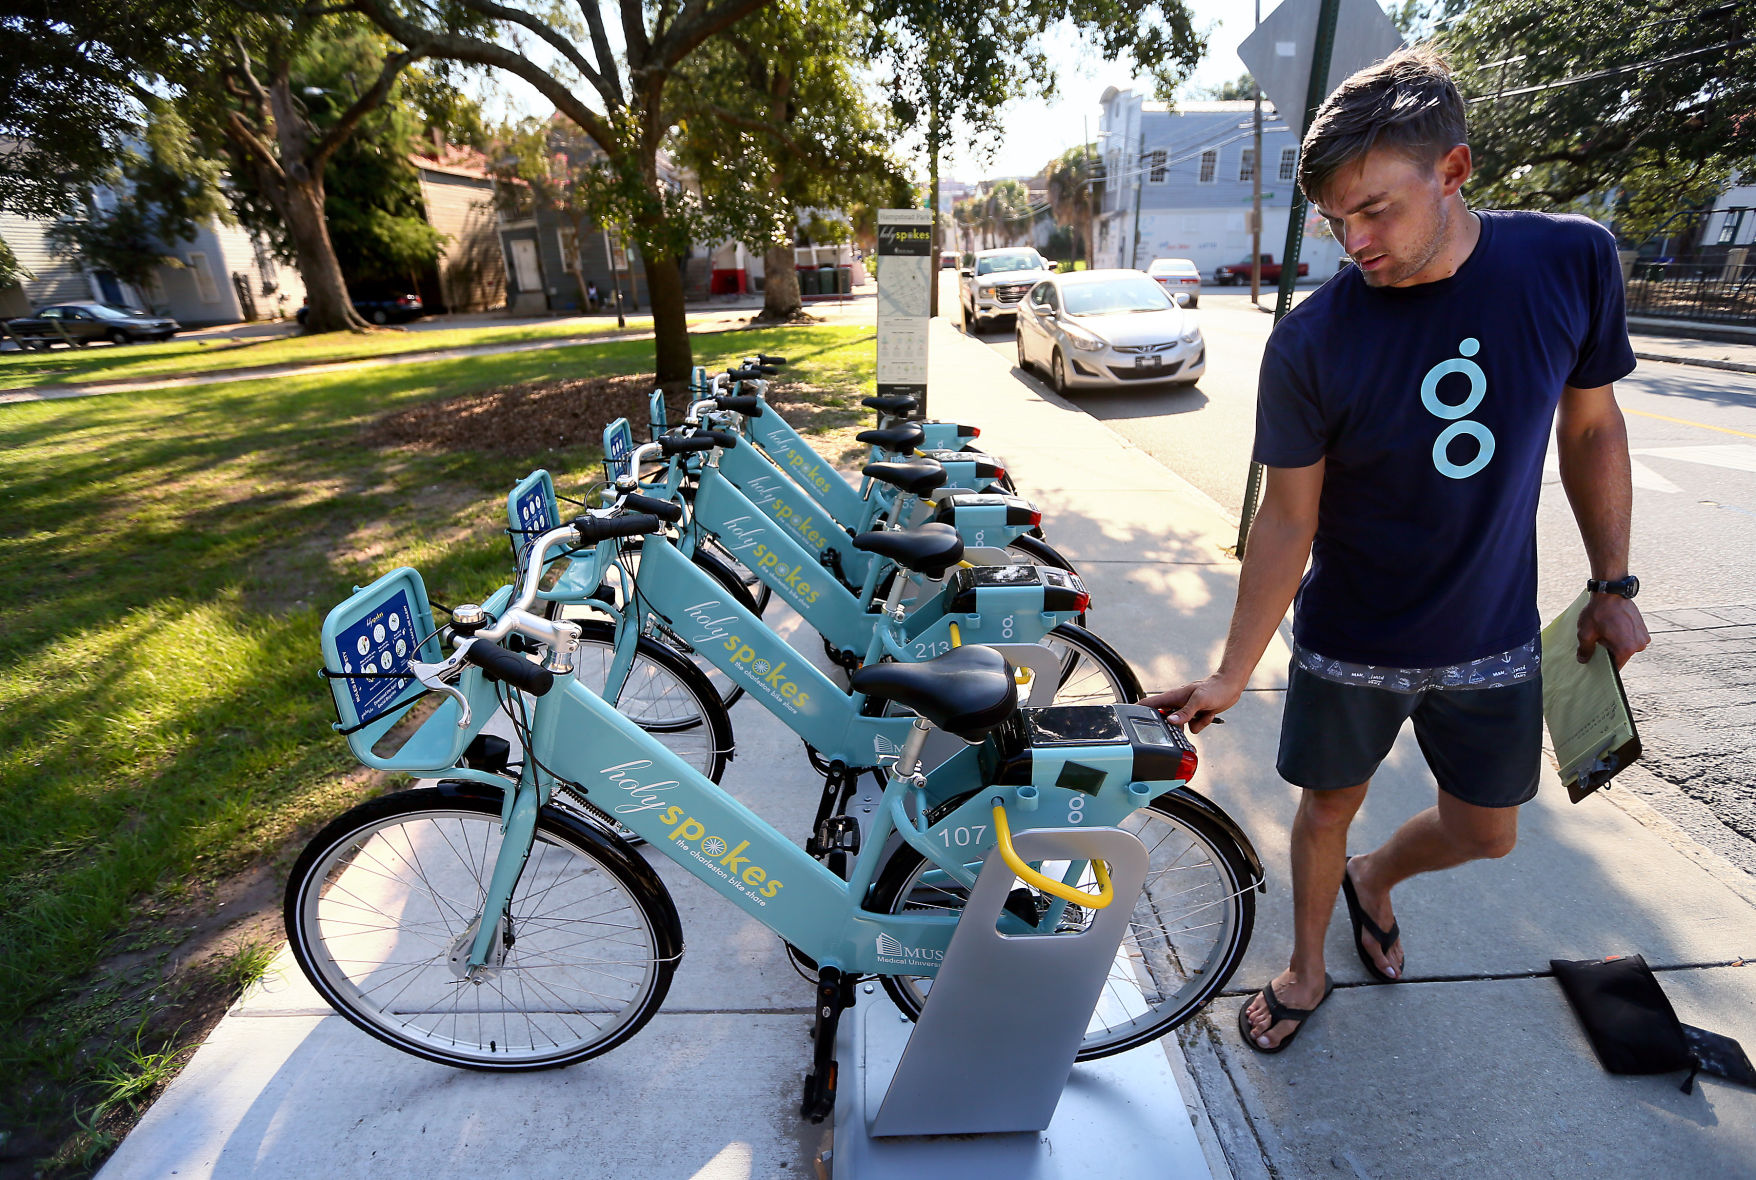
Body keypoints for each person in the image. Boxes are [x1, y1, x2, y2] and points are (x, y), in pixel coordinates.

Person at [1142, 47, 1650, 1053]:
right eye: (1335, 220)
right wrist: (1234, 669)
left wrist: (1611, 582)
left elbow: (1591, 428)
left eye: (1373, 210)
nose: (1354, 241)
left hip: (1494, 640)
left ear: (1452, 171)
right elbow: (1287, 519)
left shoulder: (1569, 261)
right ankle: (1302, 965)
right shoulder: (1312, 341)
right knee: (1325, 808)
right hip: (1350, 643)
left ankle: (1379, 878)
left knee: (1486, 833)